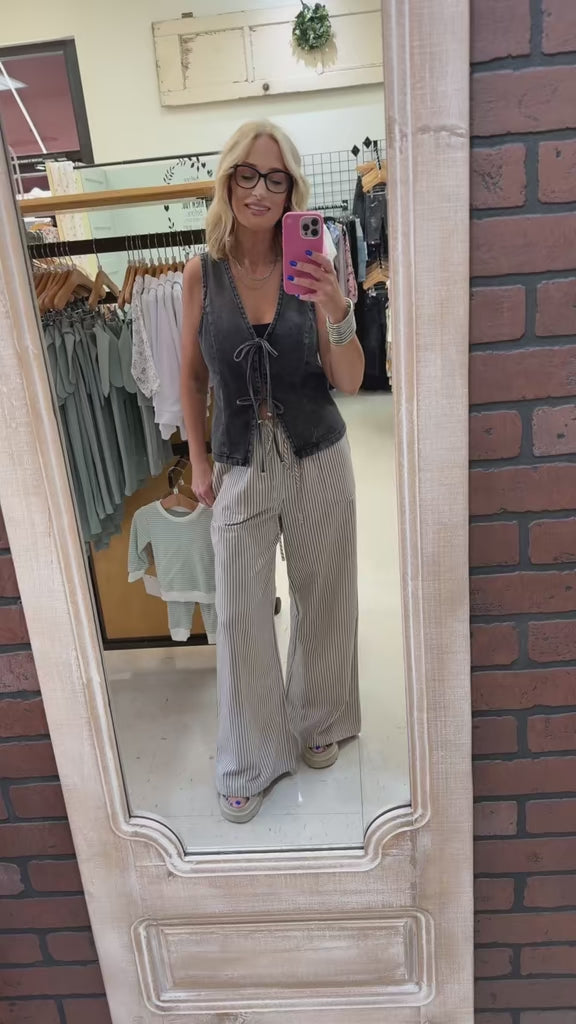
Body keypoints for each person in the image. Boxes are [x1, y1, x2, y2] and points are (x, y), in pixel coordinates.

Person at [181, 120, 364, 823]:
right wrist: (198, 458)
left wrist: (337, 308)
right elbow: (191, 374)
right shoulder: (201, 273)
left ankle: (320, 717)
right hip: (239, 461)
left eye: (276, 178)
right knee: (242, 615)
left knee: (323, 598)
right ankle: (251, 755)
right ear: (229, 181)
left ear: (292, 190)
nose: (260, 190)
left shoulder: (313, 267)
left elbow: (350, 379)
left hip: (318, 454)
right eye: (248, 175)